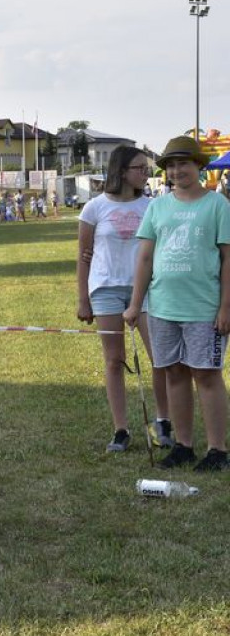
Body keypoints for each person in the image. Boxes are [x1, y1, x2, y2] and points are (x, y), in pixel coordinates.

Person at [124, 136, 230, 471]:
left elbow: (228, 259)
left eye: (183, 163)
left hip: (204, 308)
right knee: (174, 372)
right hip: (163, 308)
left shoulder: (218, 205)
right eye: (170, 165)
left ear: (198, 165)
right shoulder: (157, 207)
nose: (176, 170)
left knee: (207, 375)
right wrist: (135, 303)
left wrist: (226, 307)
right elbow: (145, 259)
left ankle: (217, 450)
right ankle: (184, 445)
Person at [78, 146, 170, 452]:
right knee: (113, 360)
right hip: (105, 289)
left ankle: (163, 421)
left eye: (147, 168)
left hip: (146, 290)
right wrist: (83, 299)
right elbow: (84, 256)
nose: (146, 174)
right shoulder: (94, 208)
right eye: (140, 168)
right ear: (121, 171)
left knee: (159, 357)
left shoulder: (152, 206)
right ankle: (121, 430)